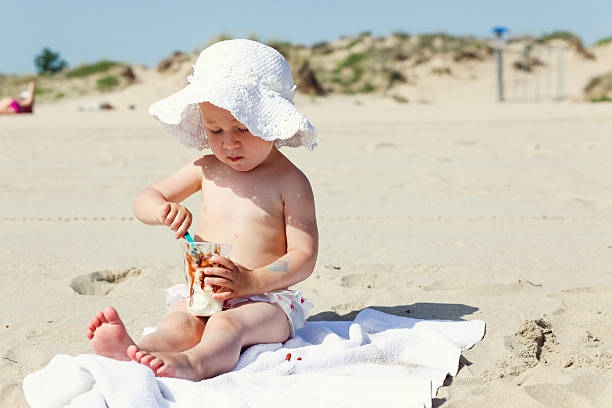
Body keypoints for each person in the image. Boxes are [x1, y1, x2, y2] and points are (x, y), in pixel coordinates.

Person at [86, 39, 318, 381]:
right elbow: (144, 199)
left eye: (242, 128)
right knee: (179, 322)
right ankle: (140, 350)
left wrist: (251, 280)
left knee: (227, 324)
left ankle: (195, 364)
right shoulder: (206, 168)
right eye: (215, 130)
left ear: (270, 122)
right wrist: (163, 209)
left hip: (265, 301)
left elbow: (304, 255)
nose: (228, 142)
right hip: (203, 290)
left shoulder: (289, 182)